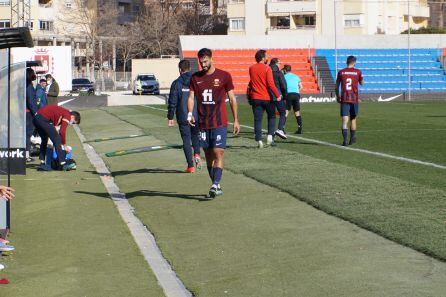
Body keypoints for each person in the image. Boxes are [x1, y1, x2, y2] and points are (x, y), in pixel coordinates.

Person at [187, 48, 240, 198]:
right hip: (203, 123)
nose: (203, 64)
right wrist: (190, 114)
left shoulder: (224, 76)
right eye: (200, 62)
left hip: (219, 122)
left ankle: (215, 184)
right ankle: (216, 184)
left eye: (205, 61)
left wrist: (236, 120)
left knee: (218, 153)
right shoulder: (195, 78)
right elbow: (191, 98)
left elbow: (232, 99)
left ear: (211, 59)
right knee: (209, 156)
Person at [167, 59, 202, 173]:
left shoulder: (176, 83)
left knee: (186, 140)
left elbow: (173, 101)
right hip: (196, 114)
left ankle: (190, 166)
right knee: (195, 136)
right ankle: (197, 153)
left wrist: (170, 117)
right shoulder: (197, 80)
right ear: (190, 69)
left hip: (183, 115)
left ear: (180, 70)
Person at [248, 50, 281, 148]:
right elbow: (271, 84)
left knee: (257, 119)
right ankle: (270, 136)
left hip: (255, 98)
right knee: (272, 116)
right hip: (266, 97)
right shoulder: (267, 68)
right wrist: (278, 95)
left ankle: (259, 141)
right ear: (263, 58)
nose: (267, 58)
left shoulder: (251, 68)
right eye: (266, 56)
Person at [33, 105, 81, 170]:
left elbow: (54, 127)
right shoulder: (67, 115)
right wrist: (64, 145)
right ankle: (62, 162)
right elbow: (62, 131)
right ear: (72, 117)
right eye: (73, 122)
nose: (71, 123)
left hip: (36, 117)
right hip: (43, 118)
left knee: (44, 139)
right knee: (57, 139)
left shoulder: (63, 112)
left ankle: (42, 161)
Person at [335, 55, 364, 146]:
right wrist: (361, 80)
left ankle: (345, 141)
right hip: (354, 98)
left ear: (347, 62)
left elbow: (336, 86)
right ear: (354, 62)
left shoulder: (341, 72)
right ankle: (352, 139)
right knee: (353, 119)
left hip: (344, 98)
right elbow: (362, 83)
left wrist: (337, 96)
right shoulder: (358, 72)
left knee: (344, 120)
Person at [269, 58, 287, 139]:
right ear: (276, 63)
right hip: (278, 96)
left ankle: (271, 133)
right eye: (279, 63)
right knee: (283, 113)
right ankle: (280, 129)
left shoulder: (267, 71)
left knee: (271, 115)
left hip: (267, 96)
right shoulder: (279, 73)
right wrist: (285, 97)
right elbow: (283, 85)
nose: (280, 64)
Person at [283, 64, 304, 134]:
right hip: (296, 94)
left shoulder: (283, 76)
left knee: (286, 111)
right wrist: (296, 90)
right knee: (297, 112)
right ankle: (300, 128)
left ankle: (282, 128)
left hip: (288, 94)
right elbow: (301, 87)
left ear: (285, 70)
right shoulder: (296, 76)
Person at [25, 68, 38, 162]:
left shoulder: (24, 84)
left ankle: (26, 153)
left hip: (26, 112)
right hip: (28, 113)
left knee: (26, 134)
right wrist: (36, 113)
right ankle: (26, 154)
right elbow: (31, 101)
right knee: (28, 134)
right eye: (33, 73)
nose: (35, 75)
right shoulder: (29, 86)